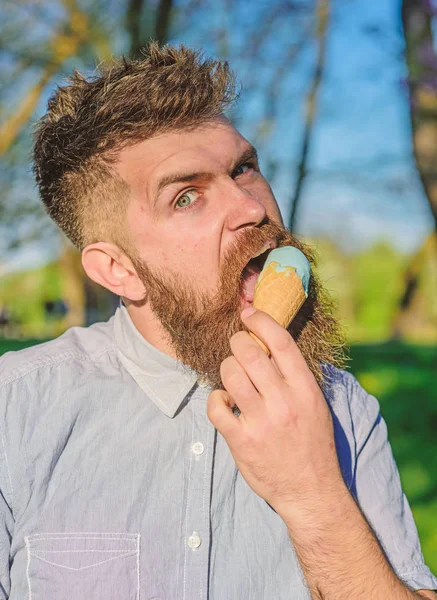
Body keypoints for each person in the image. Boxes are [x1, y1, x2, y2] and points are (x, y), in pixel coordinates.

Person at [0, 42, 435, 600]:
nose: (252, 208)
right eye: (186, 197)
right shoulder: (16, 413)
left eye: (243, 169)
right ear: (117, 270)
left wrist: (315, 496)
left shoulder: (344, 408)